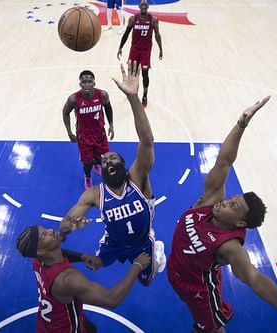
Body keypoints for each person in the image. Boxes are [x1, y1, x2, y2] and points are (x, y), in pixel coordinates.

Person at [167, 96, 277, 332]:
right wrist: (241, 124)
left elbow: (253, 277)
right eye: (232, 199)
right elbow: (224, 161)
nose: (226, 202)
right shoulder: (209, 201)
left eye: (233, 206)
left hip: (199, 289)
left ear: (239, 223)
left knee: (209, 328)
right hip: (175, 269)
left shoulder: (230, 247)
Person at [60, 61, 166, 287]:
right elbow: (66, 224)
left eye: (112, 157)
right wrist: (68, 225)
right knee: (96, 264)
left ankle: (157, 250)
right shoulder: (93, 194)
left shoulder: (138, 178)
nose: (107, 158)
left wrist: (132, 98)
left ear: (124, 165)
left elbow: (147, 140)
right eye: (106, 158)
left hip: (142, 242)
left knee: (146, 281)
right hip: (114, 243)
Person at [17, 223, 151, 333]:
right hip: (68, 330)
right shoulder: (68, 280)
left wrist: (81, 256)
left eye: (45, 229)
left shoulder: (37, 261)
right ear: (40, 251)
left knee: (90, 328)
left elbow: (59, 254)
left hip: (47, 325)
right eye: (44, 235)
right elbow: (111, 299)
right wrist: (137, 265)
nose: (50, 231)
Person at [63, 70, 115, 190]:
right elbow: (65, 113)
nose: (87, 84)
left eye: (89, 81)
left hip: (100, 134)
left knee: (103, 158)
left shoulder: (102, 95)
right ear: (80, 83)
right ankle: (87, 176)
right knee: (87, 162)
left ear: (94, 83)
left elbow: (108, 107)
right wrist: (69, 132)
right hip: (84, 136)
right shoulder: (74, 99)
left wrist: (111, 124)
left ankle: (97, 165)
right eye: (84, 82)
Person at [117, 0, 163, 107]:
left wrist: (161, 49)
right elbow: (126, 34)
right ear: (139, 6)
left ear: (148, 6)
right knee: (132, 73)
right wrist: (120, 47)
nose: (143, 6)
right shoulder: (133, 19)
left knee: (145, 74)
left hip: (146, 50)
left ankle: (145, 95)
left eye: (145, 4)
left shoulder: (153, 20)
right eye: (142, 4)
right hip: (135, 49)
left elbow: (157, 35)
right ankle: (133, 92)